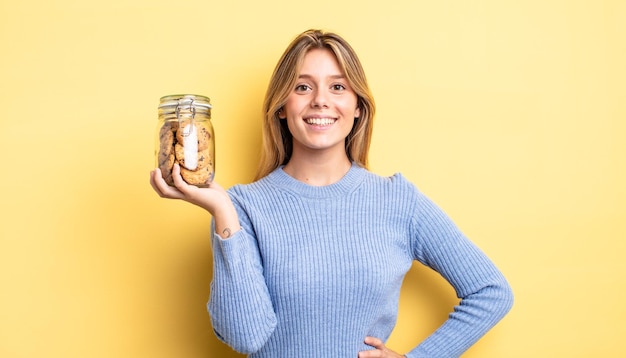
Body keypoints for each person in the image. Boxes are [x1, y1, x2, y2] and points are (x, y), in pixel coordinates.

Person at [150, 29, 514, 358]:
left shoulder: (398, 201)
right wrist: (222, 212)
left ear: (358, 107)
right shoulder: (242, 206)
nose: (320, 101)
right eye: (303, 87)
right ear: (281, 106)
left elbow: (491, 291)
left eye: (338, 87)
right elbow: (246, 337)